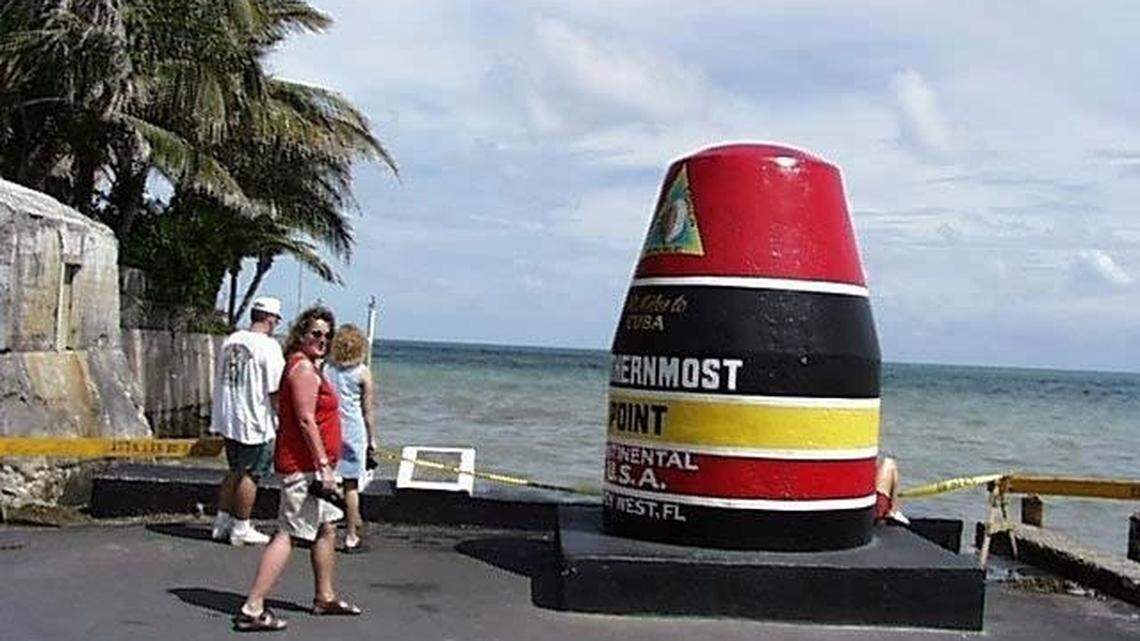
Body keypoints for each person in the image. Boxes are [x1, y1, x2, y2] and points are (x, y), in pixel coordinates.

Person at [235, 306, 361, 632]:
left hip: (316, 467)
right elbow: (306, 419)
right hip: (305, 469)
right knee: (287, 533)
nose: (322, 340)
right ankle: (253, 607)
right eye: (315, 334)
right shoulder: (303, 369)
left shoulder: (306, 367)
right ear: (301, 335)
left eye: (327, 335)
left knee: (326, 528)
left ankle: (325, 596)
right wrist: (323, 465)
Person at [210, 297, 285, 546]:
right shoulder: (269, 347)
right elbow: (276, 390)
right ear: (270, 319)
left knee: (234, 470)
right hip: (255, 420)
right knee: (251, 475)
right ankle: (242, 525)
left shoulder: (232, 340)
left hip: (229, 417)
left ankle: (221, 522)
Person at [323, 324, 378, 552]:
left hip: (330, 428)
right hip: (353, 430)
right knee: (351, 485)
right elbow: (368, 410)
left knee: (329, 481)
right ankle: (352, 534)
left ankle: (326, 528)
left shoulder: (326, 368)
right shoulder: (362, 372)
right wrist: (372, 439)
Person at [874, 455, 909, 525]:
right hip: (878, 503)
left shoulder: (878, 464)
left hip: (869, 500)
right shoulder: (892, 467)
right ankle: (892, 512)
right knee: (889, 462)